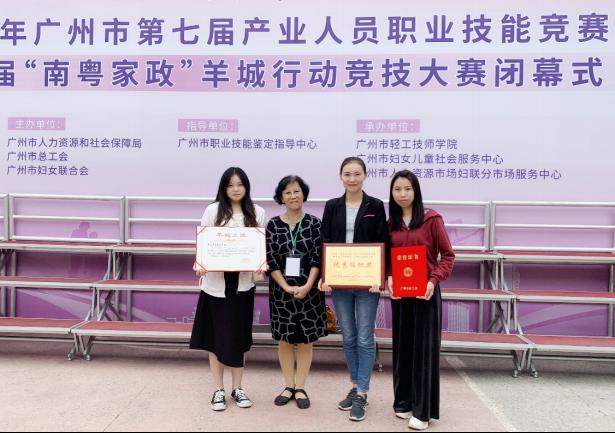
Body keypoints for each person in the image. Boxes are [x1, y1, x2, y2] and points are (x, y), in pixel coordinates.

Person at [190, 167, 266, 412]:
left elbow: (260, 249)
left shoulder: (257, 212)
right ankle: (218, 389)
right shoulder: (212, 211)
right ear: (223, 188)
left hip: (243, 286)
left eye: (240, 184)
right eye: (231, 184)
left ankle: (238, 388)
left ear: (247, 187)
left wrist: (259, 267)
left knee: (239, 337)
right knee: (216, 338)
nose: (235, 189)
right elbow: (203, 247)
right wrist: (200, 264)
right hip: (215, 286)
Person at [320, 157, 389, 422]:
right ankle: (354, 384)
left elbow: (383, 241)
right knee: (348, 336)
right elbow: (325, 241)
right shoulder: (332, 206)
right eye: (347, 174)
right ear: (341, 176)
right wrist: (325, 276)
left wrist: (380, 277)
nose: (352, 179)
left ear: (365, 175)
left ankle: (362, 392)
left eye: (357, 174)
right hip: (339, 282)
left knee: (364, 338)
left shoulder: (375, 205)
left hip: (367, 283)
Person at [387, 170, 455, 430]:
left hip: (425, 293)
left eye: (407, 189)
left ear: (416, 191)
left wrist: (433, 280)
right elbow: (386, 258)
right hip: (400, 295)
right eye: (397, 189)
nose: (402, 194)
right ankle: (403, 401)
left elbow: (448, 256)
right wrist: (389, 277)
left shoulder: (431, 219)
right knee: (402, 348)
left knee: (423, 351)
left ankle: (422, 411)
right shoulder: (391, 223)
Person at [266, 175, 326, 410]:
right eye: (288, 192)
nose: (293, 196)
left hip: (309, 291)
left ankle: (300, 387)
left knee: (305, 340)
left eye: (297, 191)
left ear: (304, 194)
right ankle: (288, 385)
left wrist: (308, 285)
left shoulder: (314, 223)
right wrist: (284, 286)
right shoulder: (273, 225)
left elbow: (318, 258)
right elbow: (271, 260)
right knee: (284, 339)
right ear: (281, 197)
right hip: (281, 292)